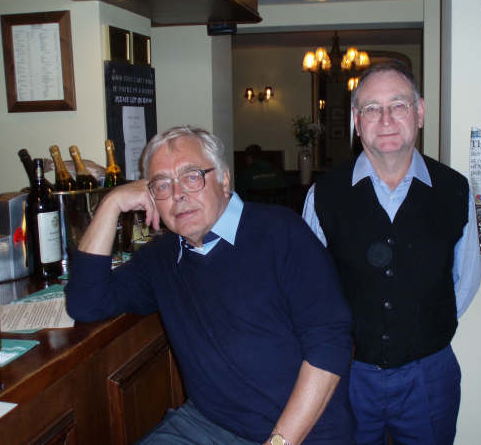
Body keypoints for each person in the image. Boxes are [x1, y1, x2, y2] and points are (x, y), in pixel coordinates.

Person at [65, 125, 354, 445]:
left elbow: (330, 346)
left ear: (224, 179)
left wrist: (279, 442)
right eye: (162, 184)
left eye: (191, 176)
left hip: (302, 431)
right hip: (208, 423)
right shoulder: (162, 257)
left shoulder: (281, 232)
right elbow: (86, 302)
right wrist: (112, 202)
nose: (178, 194)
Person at [303, 61, 481, 445]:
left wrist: (419, 329)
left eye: (398, 105)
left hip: (429, 375)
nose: (385, 119)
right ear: (357, 121)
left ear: (419, 113)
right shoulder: (323, 195)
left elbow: (466, 280)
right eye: (372, 108)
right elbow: (308, 291)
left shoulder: (455, 190)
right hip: (345, 373)